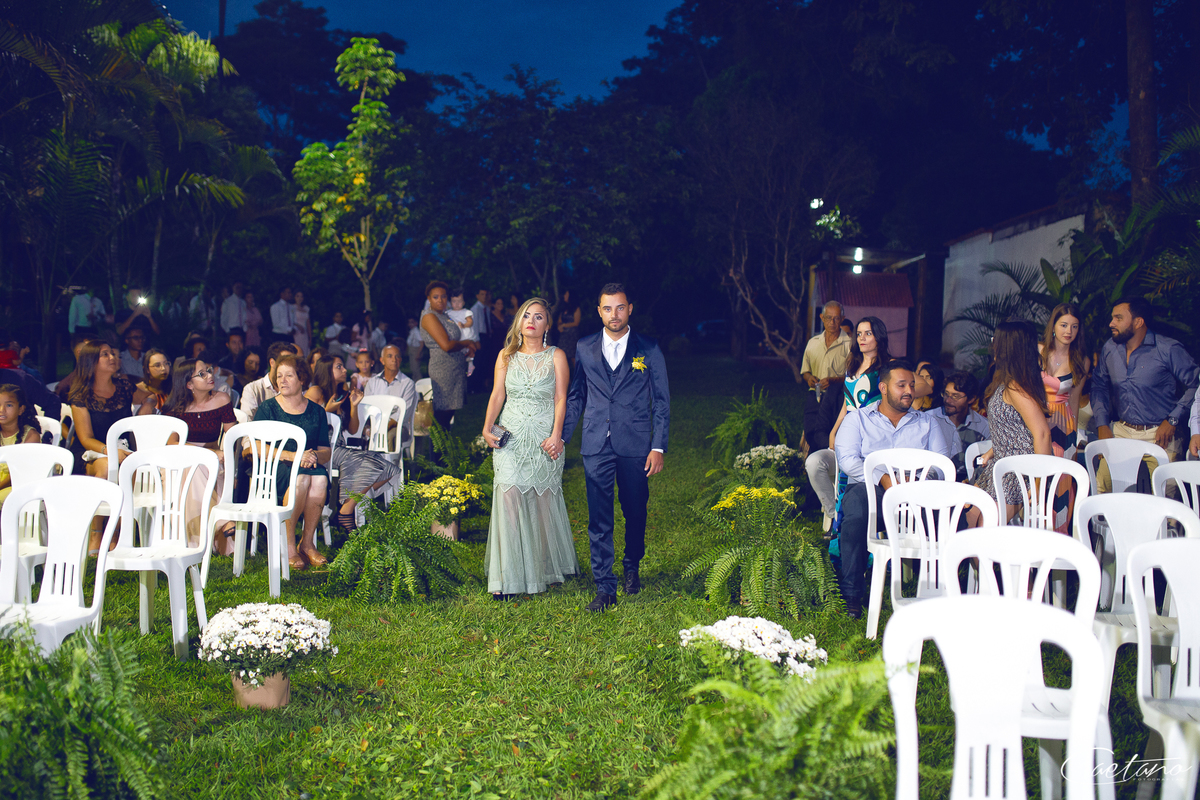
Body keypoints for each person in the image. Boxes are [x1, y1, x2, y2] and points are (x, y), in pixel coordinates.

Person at [562, 283, 670, 612]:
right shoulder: (584, 347)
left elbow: (661, 401)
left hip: (635, 444)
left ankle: (632, 565)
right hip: (595, 443)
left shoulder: (648, 348)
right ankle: (605, 586)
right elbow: (577, 395)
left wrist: (658, 447)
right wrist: (563, 436)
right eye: (607, 308)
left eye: (620, 307)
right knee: (599, 518)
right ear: (599, 312)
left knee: (635, 511)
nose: (614, 314)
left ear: (629, 309)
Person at [833, 359, 952, 618]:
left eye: (912, 385)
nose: (909, 391)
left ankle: (940, 591)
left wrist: (919, 479)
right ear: (884, 388)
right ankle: (852, 593)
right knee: (856, 510)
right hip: (871, 489)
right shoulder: (858, 420)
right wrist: (883, 478)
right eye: (902, 385)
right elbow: (848, 461)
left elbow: (942, 464)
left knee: (951, 515)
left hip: (917, 494)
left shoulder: (927, 423)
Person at [481, 297, 579, 598]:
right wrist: (487, 426)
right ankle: (507, 576)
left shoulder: (557, 356)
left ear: (547, 325)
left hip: (543, 438)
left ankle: (543, 568)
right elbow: (497, 395)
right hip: (510, 438)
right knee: (508, 496)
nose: (531, 321)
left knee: (542, 502)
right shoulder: (505, 356)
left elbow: (561, 398)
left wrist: (557, 435)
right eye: (526, 315)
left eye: (538, 316)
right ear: (519, 322)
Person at [1091, 298, 1197, 492]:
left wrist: (1172, 420)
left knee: (1166, 495)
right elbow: (1099, 385)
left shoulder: (1167, 349)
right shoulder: (1110, 348)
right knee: (1102, 489)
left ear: (1138, 322)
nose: (1111, 323)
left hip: (1160, 435)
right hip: (1121, 431)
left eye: (1118, 318)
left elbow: (1195, 385)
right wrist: (1102, 424)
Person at [805, 316, 892, 531]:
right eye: (859, 334)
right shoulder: (852, 365)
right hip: (849, 433)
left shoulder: (887, 367)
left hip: (872, 436)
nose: (862, 338)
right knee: (824, 467)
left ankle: (863, 530)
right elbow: (847, 402)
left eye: (868, 333)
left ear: (879, 337)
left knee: (860, 482)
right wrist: (834, 431)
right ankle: (837, 521)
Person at [68, 340, 154, 551]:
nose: (112, 358)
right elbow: (86, 438)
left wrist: (146, 407)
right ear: (91, 361)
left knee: (130, 469)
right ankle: (96, 534)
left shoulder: (124, 387)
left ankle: (115, 533)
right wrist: (111, 452)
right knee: (108, 467)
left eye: (113, 353)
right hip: (92, 451)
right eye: (105, 354)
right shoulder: (81, 396)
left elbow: (150, 396)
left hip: (123, 448)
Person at [251, 353, 331, 569]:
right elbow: (256, 446)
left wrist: (313, 456)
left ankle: (307, 543)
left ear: (302, 378)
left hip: (309, 466)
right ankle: (288, 547)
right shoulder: (268, 408)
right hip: (276, 468)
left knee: (320, 480)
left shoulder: (317, 411)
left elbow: (326, 450)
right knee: (302, 478)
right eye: (279, 376)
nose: (282, 381)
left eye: (289, 375)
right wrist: (295, 456)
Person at [970, 321, 1054, 523]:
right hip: (999, 464)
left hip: (1017, 471)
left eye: (997, 340)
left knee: (984, 527)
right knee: (968, 519)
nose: (993, 345)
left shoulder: (1016, 387)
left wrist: (1038, 481)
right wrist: (992, 451)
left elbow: (1042, 433)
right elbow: (1012, 427)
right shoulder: (1006, 380)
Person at [308, 355, 400, 532]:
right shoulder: (315, 392)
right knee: (371, 461)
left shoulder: (342, 394)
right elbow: (307, 424)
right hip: (322, 448)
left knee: (388, 468)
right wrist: (327, 411)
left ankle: (345, 508)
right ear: (326, 370)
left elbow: (352, 430)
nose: (345, 370)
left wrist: (354, 406)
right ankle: (345, 512)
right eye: (339, 367)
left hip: (340, 446)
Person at [163, 358, 238, 551]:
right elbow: (172, 443)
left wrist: (230, 463)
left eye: (209, 370)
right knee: (193, 466)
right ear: (189, 384)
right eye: (202, 374)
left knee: (200, 467)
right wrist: (206, 453)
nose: (210, 376)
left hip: (212, 461)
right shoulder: (176, 407)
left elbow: (232, 436)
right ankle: (222, 520)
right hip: (180, 461)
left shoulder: (221, 399)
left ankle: (198, 542)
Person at [420, 282, 478, 429]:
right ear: (429, 299)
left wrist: (467, 346)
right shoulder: (429, 316)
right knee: (442, 414)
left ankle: (445, 443)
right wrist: (467, 342)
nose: (440, 300)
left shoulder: (445, 315)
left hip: (455, 369)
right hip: (443, 369)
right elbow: (446, 345)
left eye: (443, 296)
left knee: (449, 414)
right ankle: (437, 444)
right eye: (435, 297)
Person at [800, 301, 851, 452]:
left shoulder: (849, 345)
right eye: (828, 318)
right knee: (810, 431)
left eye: (836, 318)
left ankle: (828, 460)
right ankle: (814, 460)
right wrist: (809, 378)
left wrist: (833, 380)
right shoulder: (813, 343)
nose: (832, 322)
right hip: (814, 396)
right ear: (822, 317)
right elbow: (805, 371)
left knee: (829, 435)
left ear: (842, 319)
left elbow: (853, 376)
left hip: (836, 398)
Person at [926, 371, 990, 479]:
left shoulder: (983, 426)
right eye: (946, 394)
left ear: (971, 399)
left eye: (955, 396)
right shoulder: (928, 419)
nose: (948, 400)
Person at [364, 344, 418, 452]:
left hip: (398, 427)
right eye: (389, 356)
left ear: (400, 360)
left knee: (390, 436)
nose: (394, 360)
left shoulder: (407, 383)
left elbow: (402, 414)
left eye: (397, 356)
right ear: (382, 360)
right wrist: (370, 427)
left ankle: (389, 462)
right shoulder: (373, 382)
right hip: (374, 424)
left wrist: (382, 428)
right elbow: (366, 408)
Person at [0, 384, 42, 508]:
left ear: (21, 409)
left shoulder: (30, 436)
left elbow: (18, 473)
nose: (2, 410)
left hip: (17, 485)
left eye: (9, 405)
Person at [240, 341, 300, 418]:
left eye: (293, 362)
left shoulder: (296, 388)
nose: (291, 366)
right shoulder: (252, 389)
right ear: (272, 362)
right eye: (286, 362)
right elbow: (247, 420)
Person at [446, 291, 478, 378]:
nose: (457, 304)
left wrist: (464, 325)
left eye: (459, 301)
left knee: (468, 351)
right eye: (454, 301)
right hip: (455, 337)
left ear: (463, 302)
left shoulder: (466, 312)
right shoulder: (448, 313)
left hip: (465, 335)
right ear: (450, 302)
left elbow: (470, 322)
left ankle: (470, 365)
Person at [554, 289, 582, 366]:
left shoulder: (576, 308)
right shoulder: (563, 308)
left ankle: (578, 372)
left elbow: (576, 323)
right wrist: (559, 326)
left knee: (573, 356)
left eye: (566, 294)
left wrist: (564, 325)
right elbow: (559, 320)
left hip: (572, 336)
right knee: (562, 355)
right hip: (563, 336)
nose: (564, 296)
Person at [291, 290, 312, 356]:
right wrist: (298, 326)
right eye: (297, 296)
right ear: (294, 297)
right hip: (296, 333)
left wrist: (310, 337)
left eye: (301, 296)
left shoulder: (306, 308)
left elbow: (308, 324)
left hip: (304, 334)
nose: (299, 298)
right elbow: (290, 320)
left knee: (305, 351)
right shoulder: (292, 307)